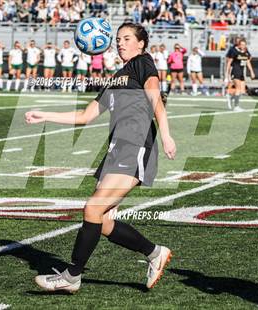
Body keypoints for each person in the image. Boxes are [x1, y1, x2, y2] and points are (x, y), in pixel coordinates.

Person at [25, 22, 176, 293]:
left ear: (141, 43)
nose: (120, 43)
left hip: (135, 145)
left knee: (92, 209)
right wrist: (44, 115)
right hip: (115, 150)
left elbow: (155, 99)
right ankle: (155, 253)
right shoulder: (116, 78)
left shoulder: (143, 63)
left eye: (127, 38)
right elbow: (84, 116)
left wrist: (166, 135)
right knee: (102, 220)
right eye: (118, 39)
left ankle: (72, 275)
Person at [225, 38, 255, 111]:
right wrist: (227, 74)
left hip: (241, 72)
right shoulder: (234, 51)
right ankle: (236, 106)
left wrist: (251, 72)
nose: (243, 46)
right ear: (239, 45)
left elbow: (248, 61)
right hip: (235, 71)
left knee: (242, 91)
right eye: (241, 44)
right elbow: (229, 62)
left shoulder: (246, 52)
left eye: (244, 45)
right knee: (238, 88)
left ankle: (231, 97)